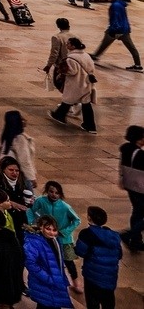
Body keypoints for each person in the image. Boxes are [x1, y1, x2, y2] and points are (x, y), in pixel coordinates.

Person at [73, 206, 122, 309]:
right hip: (110, 277)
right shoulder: (114, 235)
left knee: (93, 303)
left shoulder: (86, 234)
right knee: (108, 302)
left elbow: (80, 252)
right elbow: (119, 255)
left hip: (92, 276)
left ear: (90, 218)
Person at [23, 215, 74, 309]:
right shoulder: (33, 242)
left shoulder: (55, 240)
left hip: (53, 282)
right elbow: (30, 263)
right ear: (41, 227)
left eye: (54, 230)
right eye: (48, 229)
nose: (52, 233)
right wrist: (48, 278)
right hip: (45, 283)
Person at [50, 37, 97, 133]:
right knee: (86, 105)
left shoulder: (71, 58)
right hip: (87, 83)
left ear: (73, 46)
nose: (67, 45)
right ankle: (90, 126)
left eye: (68, 44)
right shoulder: (86, 55)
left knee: (68, 100)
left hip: (76, 84)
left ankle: (59, 116)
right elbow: (92, 68)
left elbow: (72, 71)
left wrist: (62, 71)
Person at [91, 0, 142, 70]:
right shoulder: (119, 4)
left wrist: (115, 30)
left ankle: (96, 56)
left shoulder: (115, 6)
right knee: (131, 47)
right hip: (124, 29)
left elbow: (115, 18)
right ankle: (138, 65)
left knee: (107, 41)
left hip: (117, 29)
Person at [121, 125, 144, 253]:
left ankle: (136, 240)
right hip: (141, 188)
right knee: (139, 212)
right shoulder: (140, 154)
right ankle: (130, 234)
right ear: (139, 139)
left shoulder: (126, 149)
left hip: (130, 186)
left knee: (137, 212)